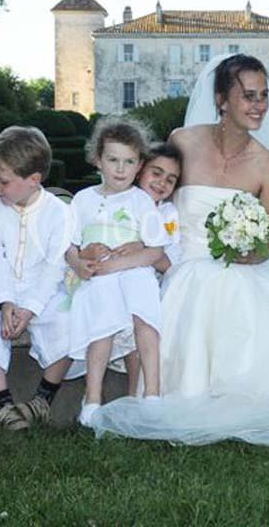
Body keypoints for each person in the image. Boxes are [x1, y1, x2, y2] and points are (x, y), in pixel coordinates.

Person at [90, 54, 269, 448]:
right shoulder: (183, 141)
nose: (259, 105)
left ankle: (241, 395)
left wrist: (246, 251)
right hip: (184, 264)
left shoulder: (265, 162)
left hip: (239, 265)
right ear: (221, 99)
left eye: (263, 96)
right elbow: (151, 200)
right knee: (198, 285)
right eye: (248, 95)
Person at [0, 126, 80, 431]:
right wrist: (5, 304)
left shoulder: (59, 212)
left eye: (2, 181)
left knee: (72, 322)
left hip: (43, 288)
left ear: (33, 180)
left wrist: (29, 308)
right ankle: (3, 405)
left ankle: (41, 401)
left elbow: (54, 267)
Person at [65, 117, 169, 425]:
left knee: (145, 313)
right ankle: (93, 398)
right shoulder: (83, 200)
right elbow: (68, 246)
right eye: (113, 160)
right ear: (98, 160)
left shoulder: (141, 201)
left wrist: (118, 265)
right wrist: (79, 263)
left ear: (139, 166)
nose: (121, 169)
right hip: (97, 276)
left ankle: (152, 393)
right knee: (102, 318)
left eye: (129, 162)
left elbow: (156, 249)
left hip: (133, 271)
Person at [104, 142, 183, 395]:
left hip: (151, 283)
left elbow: (169, 262)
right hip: (112, 279)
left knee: (143, 316)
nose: (162, 183)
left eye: (171, 179)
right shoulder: (119, 202)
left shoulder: (168, 214)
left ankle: (135, 395)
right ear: (140, 171)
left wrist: (145, 247)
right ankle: (120, 395)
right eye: (156, 173)